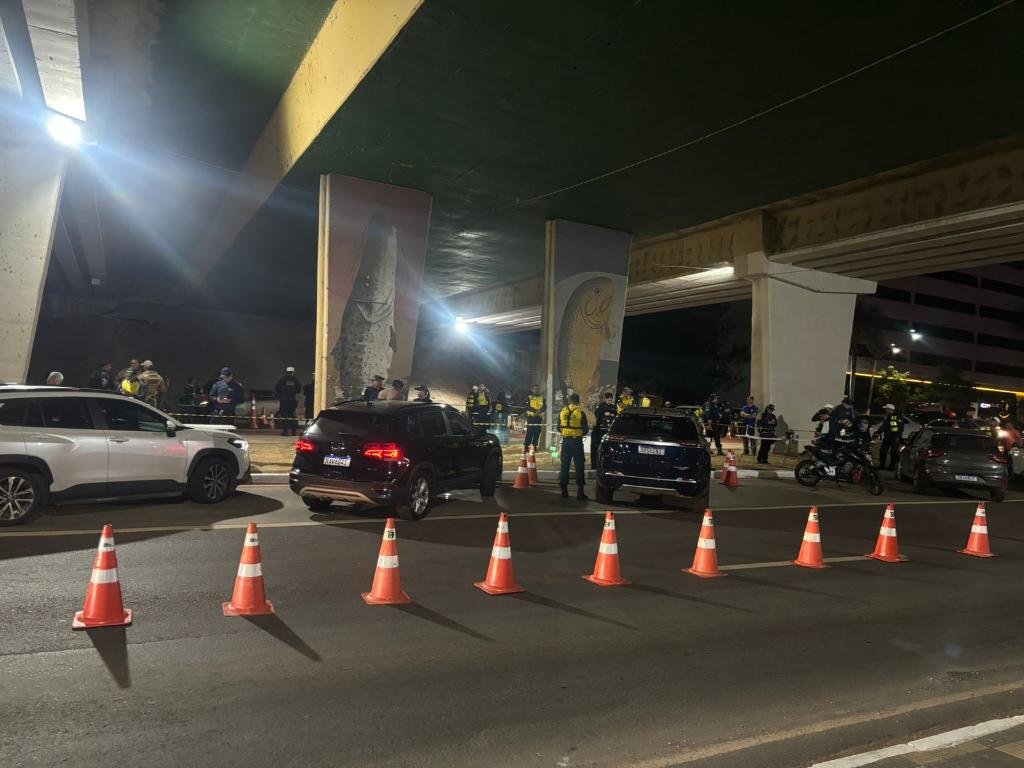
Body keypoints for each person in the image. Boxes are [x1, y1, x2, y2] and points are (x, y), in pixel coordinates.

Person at [558, 393, 589, 500]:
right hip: (577, 442)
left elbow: (558, 428)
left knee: (564, 465)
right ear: (578, 401)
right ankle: (580, 493)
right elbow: (585, 430)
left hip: (566, 441)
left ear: (570, 401)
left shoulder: (563, 412)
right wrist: (578, 432)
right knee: (579, 466)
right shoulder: (581, 413)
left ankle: (564, 491)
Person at [874, 404, 904, 471]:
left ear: (890, 409)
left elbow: (901, 428)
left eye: (886, 409)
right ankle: (882, 466)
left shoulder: (896, 417)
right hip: (887, 437)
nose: (885, 410)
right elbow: (884, 427)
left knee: (893, 452)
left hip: (895, 438)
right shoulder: (887, 417)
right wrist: (878, 432)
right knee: (882, 451)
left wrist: (897, 437)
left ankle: (892, 467)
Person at [592, 391, 617, 469]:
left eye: (611, 400)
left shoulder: (613, 406)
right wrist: (604, 413)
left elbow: (616, 414)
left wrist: (613, 414)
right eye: (608, 400)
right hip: (601, 430)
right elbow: (596, 414)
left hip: (609, 430)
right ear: (605, 399)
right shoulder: (601, 406)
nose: (610, 401)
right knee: (598, 447)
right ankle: (596, 465)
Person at [274, 365, 302, 436]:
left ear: (286, 371)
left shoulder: (282, 379)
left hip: (284, 400)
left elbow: (276, 388)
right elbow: (299, 390)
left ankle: (285, 432)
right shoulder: (295, 380)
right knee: (292, 415)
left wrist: (282, 392)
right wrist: (292, 391)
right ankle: (294, 432)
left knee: (284, 416)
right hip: (292, 400)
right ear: (293, 372)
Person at [524, 384, 546, 450]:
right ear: (532, 390)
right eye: (535, 389)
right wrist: (535, 411)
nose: (536, 390)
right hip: (531, 417)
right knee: (529, 432)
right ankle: (526, 446)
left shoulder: (542, 398)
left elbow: (544, 407)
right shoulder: (529, 397)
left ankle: (534, 446)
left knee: (537, 432)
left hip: (538, 418)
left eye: (537, 389)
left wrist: (539, 411)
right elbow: (527, 406)